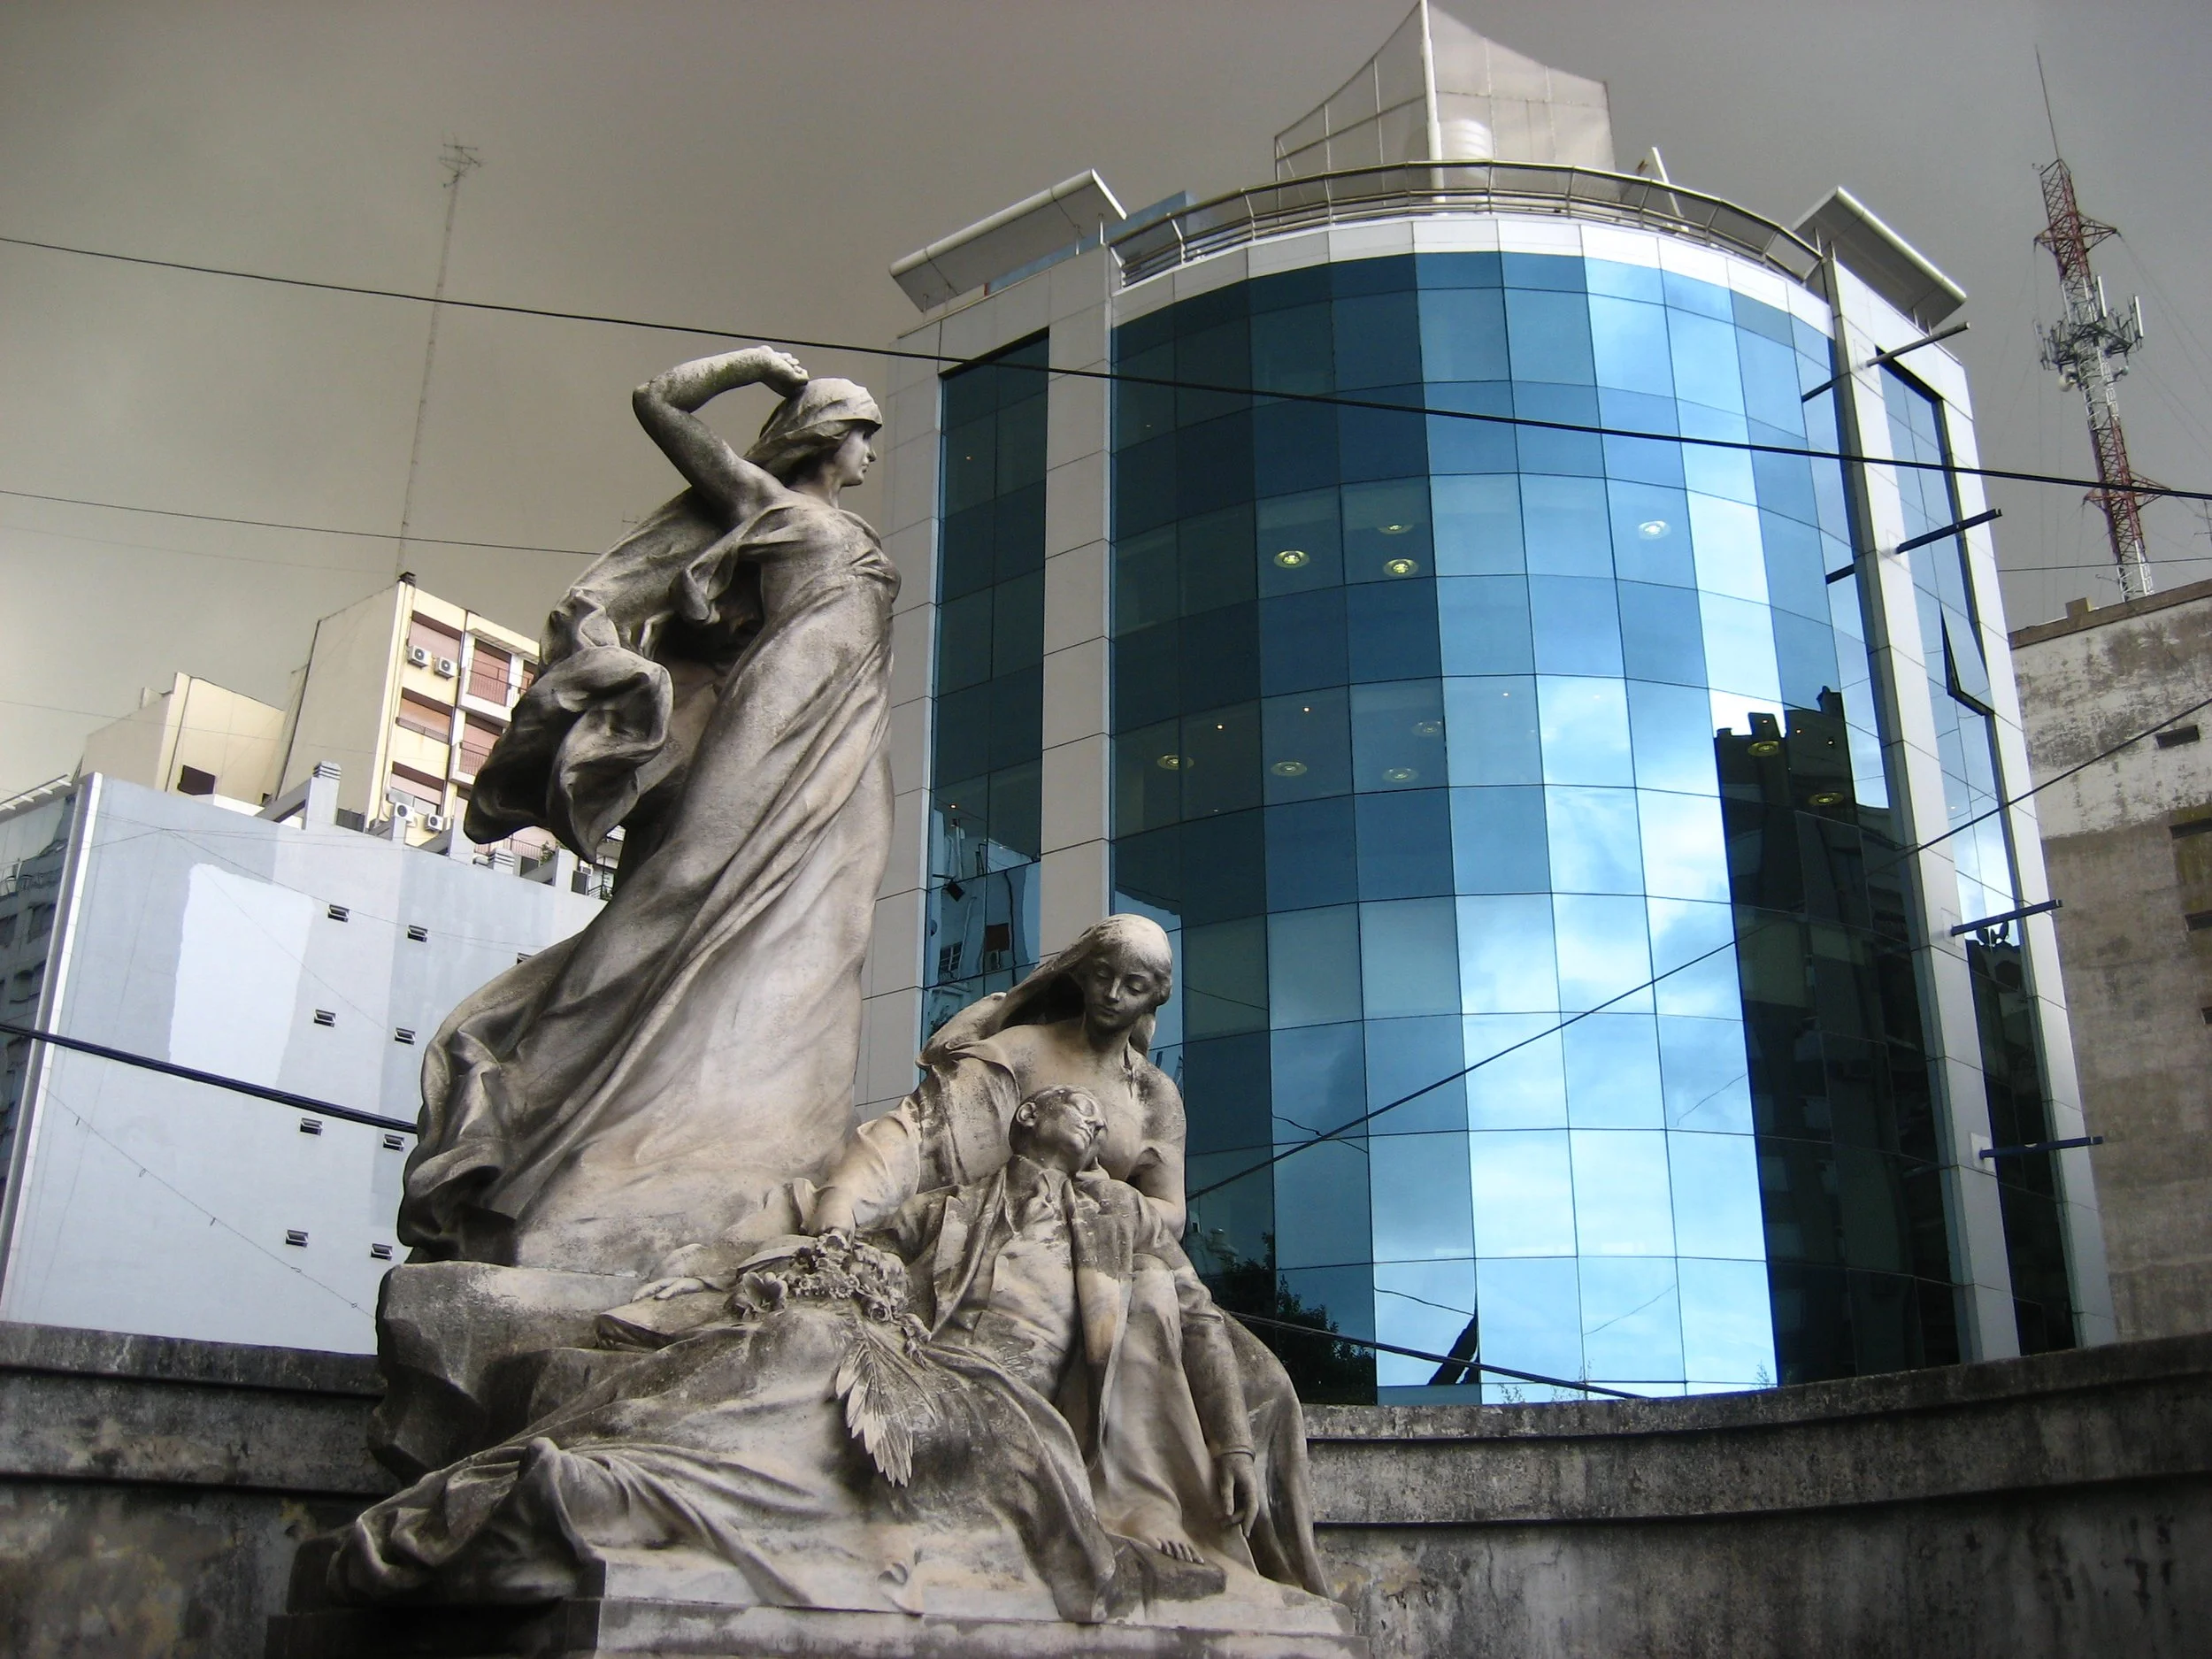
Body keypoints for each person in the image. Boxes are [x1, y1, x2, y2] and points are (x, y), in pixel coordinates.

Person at [326, 1089, 1290, 1626]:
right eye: (1065, 1107)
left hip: (1007, 1412)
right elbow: (851, 1241)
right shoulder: (943, 1213)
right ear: (1022, 1122)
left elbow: (1200, 1329)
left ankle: (614, 1498)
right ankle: (591, 1474)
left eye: (1094, 1118)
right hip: (912, 1358)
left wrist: (1236, 1453)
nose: (1084, 1118)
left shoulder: (1120, 1222)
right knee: (793, 1341)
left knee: (826, 1414)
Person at [396, 348, 896, 1278]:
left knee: (824, 928)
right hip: (775, 711)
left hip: (854, 732)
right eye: (864, 432)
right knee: (685, 889)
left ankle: (755, 1135)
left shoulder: (842, 525)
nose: (871, 453)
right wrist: (750, 365)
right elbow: (656, 401)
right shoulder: (766, 502)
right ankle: (529, 1084)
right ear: (831, 432)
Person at [792, 915, 1333, 1596]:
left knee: (1264, 1385)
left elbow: (1170, 1209)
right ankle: (1132, 1496)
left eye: (1132, 986)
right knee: (1150, 1301)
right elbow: (920, 1133)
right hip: (1013, 1232)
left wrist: (1112, 1201)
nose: (1112, 994)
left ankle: (1230, 1529)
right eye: (1103, 976)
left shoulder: (1154, 1096)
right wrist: (839, 1209)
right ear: (1081, 975)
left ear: (1152, 999)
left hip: (1116, 1237)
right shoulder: (1021, 1050)